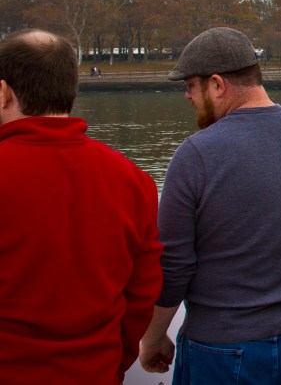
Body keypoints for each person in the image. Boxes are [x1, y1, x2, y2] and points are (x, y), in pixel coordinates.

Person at [138, 27, 281, 384]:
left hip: (223, 348)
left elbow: (174, 265)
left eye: (189, 86)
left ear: (217, 85)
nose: (187, 97)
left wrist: (152, 337)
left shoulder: (196, 153)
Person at [0, 29, 162, 384]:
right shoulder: (133, 179)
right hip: (96, 371)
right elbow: (142, 291)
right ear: (71, 88)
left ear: (3, 93)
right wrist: (114, 361)